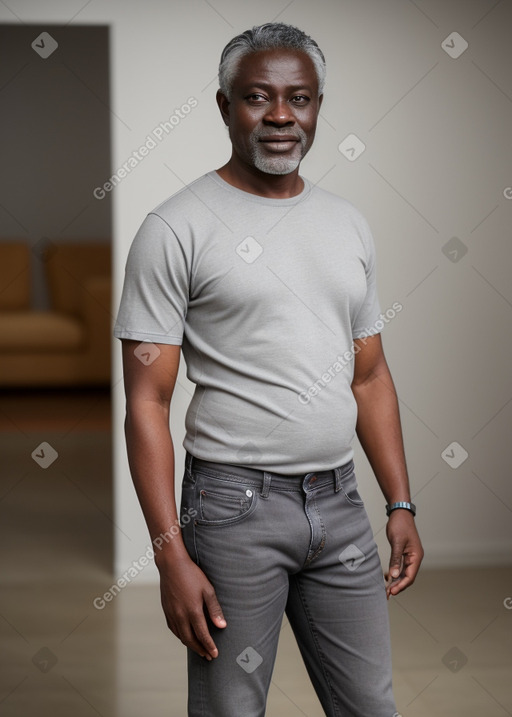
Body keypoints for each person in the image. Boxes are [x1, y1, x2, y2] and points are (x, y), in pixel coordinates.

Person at [113, 22, 423, 717]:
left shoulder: (347, 224)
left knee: (372, 706)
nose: (281, 115)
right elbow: (146, 405)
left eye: (300, 98)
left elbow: (369, 375)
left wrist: (398, 501)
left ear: (317, 106)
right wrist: (170, 556)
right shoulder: (175, 229)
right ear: (225, 107)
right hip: (231, 510)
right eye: (257, 97)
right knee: (231, 709)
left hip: (340, 506)